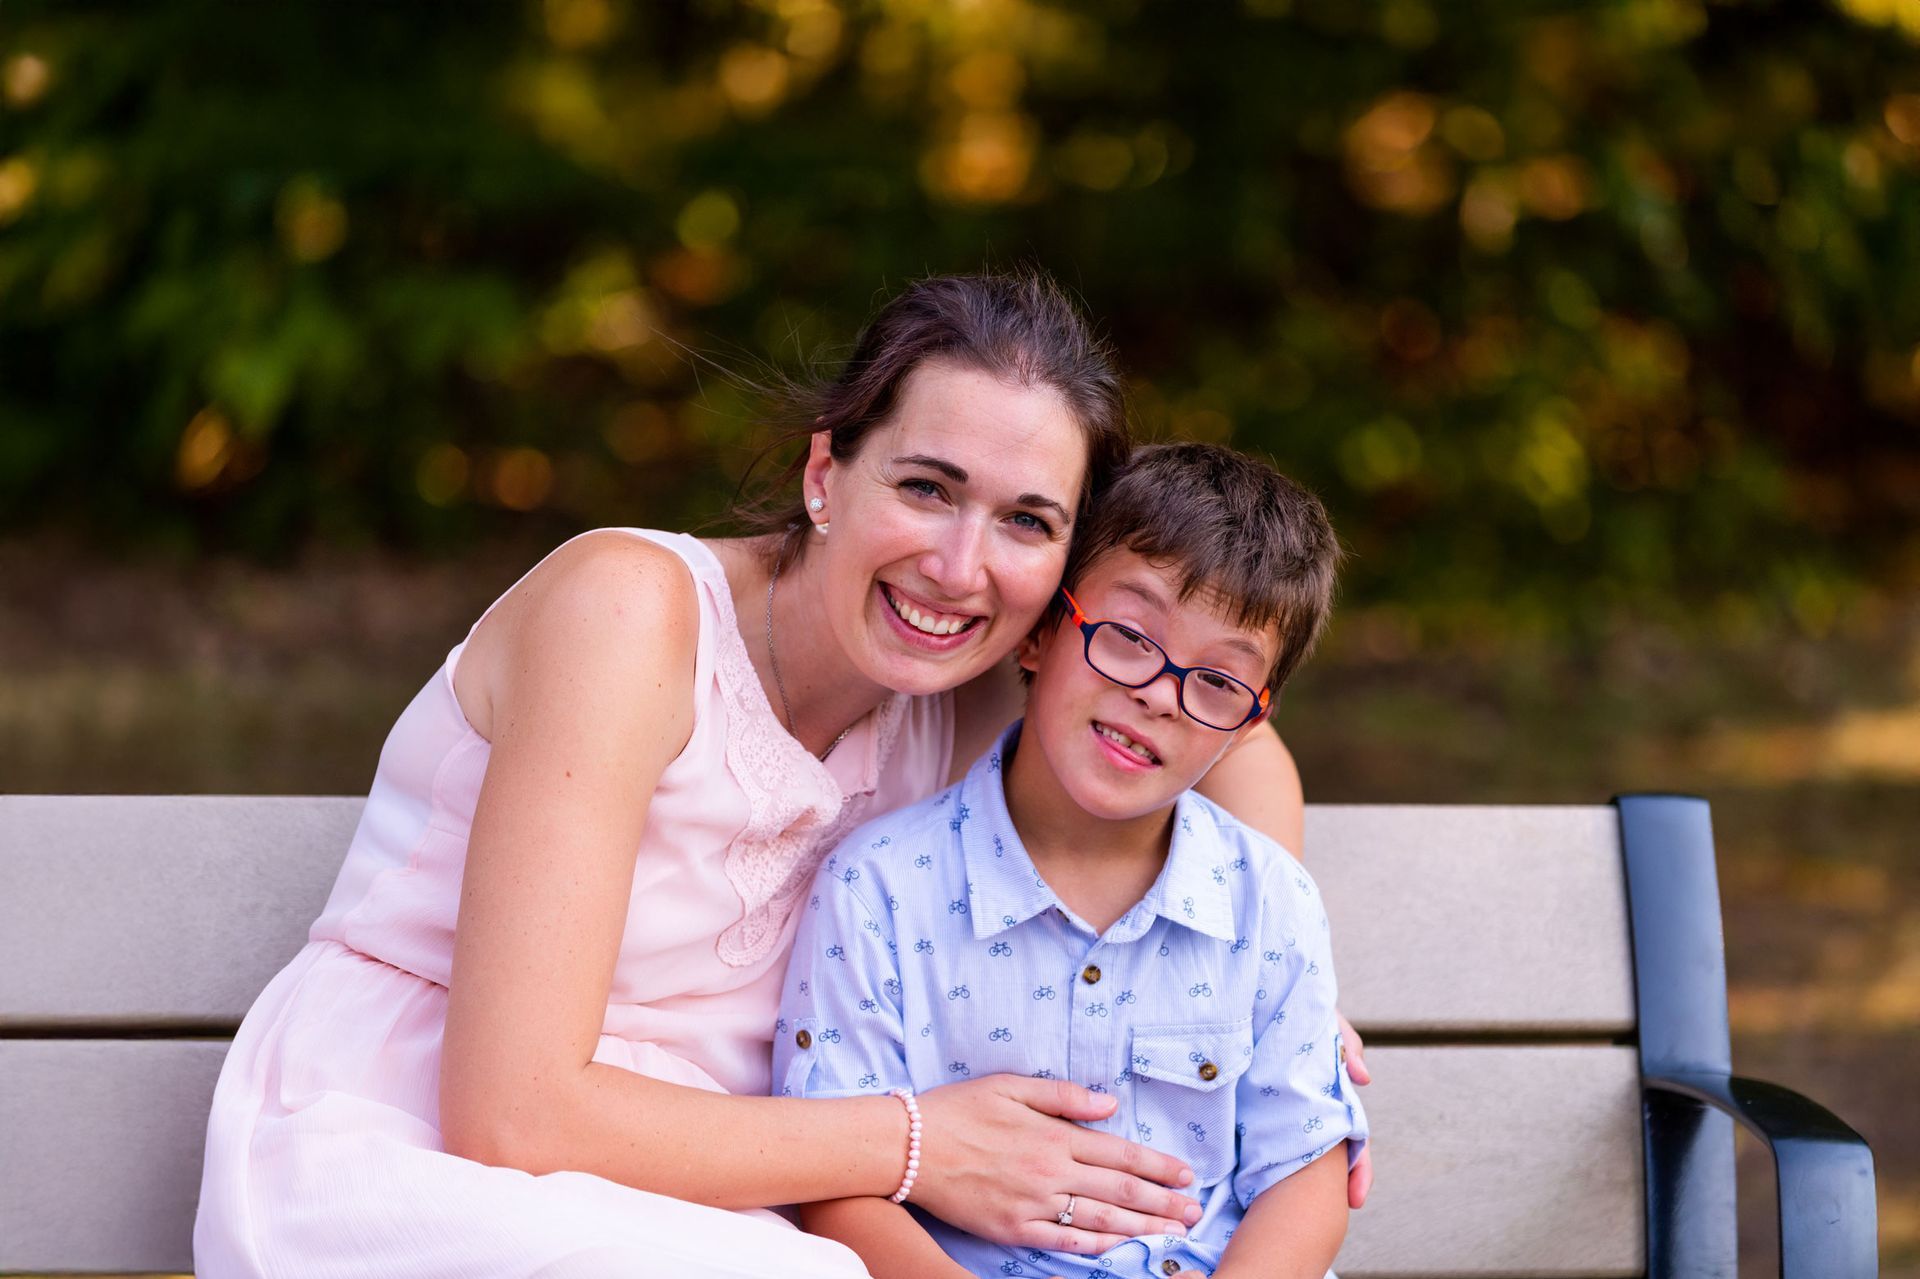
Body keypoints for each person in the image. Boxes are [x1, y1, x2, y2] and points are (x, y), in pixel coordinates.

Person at [193, 271, 1367, 1278]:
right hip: (419, 1140)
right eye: (926, 486)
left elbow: (1237, 743)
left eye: (1025, 520)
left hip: (713, 1189)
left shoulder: (945, 687)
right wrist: (916, 1143)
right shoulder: (633, 616)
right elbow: (511, 1112)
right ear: (825, 473)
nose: (960, 566)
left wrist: (1247, 963)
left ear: (1061, 574)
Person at [774, 442, 1365, 1279]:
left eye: (1218, 682)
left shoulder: (1268, 901)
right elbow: (836, 1184)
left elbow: (1304, 1171)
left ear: (1246, 724)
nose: (1160, 692)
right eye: (1127, 635)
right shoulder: (880, 889)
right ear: (1043, 632)